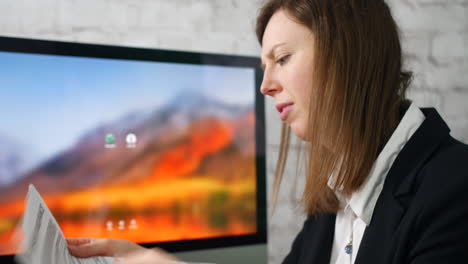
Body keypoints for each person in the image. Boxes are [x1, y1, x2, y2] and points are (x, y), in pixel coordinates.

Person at [67, 0, 468, 263]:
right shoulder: (336, 195)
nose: (265, 85)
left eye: (282, 59)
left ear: (346, 54)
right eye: (265, 66)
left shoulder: (454, 189)